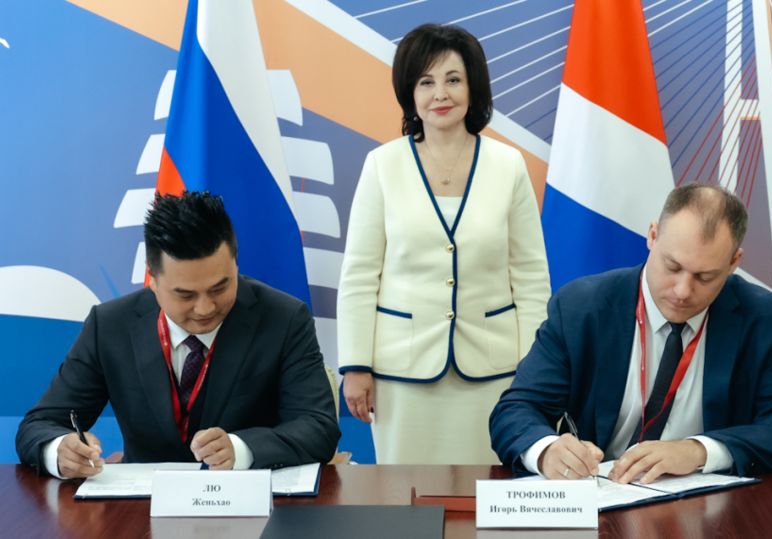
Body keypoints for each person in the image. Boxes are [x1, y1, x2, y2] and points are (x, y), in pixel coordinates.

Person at [490, 185, 772, 483]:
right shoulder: (582, 308)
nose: (683, 291)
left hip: (711, 506)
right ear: (653, 236)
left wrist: (699, 451)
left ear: (733, 263)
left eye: (705, 276)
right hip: (603, 494)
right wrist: (546, 450)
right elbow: (517, 409)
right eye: (672, 266)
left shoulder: (765, 319)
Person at [337, 23, 550, 464]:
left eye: (453, 80)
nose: (441, 94)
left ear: (473, 88)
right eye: (426, 82)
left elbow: (530, 278)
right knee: (405, 501)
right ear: (409, 92)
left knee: (485, 501)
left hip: (494, 373)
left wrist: (533, 373)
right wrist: (356, 365)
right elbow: (359, 275)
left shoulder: (508, 165)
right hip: (402, 375)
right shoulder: (382, 165)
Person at [16, 191, 340, 478]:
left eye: (221, 287)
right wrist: (58, 450)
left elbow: (319, 427)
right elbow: (39, 425)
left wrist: (241, 449)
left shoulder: (283, 317)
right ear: (153, 280)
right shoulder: (111, 324)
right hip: (140, 510)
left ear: (236, 265)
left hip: (252, 504)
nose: (204, 308)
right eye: (185, 294)